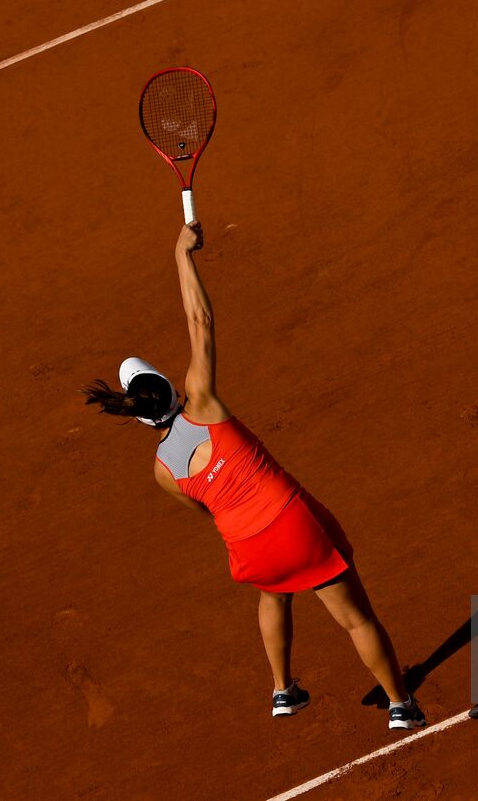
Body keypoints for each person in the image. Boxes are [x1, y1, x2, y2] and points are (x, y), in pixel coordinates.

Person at [82, 222, 424, 730]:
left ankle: (283, 691)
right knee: (355, 616)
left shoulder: (161, 471)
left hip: (247, 545)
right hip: (291, 521)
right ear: (173, 390)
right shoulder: (203, 402)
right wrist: (183, 253)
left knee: (274, 592)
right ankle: (400, 705)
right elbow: (200, 320)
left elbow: (207, 510)